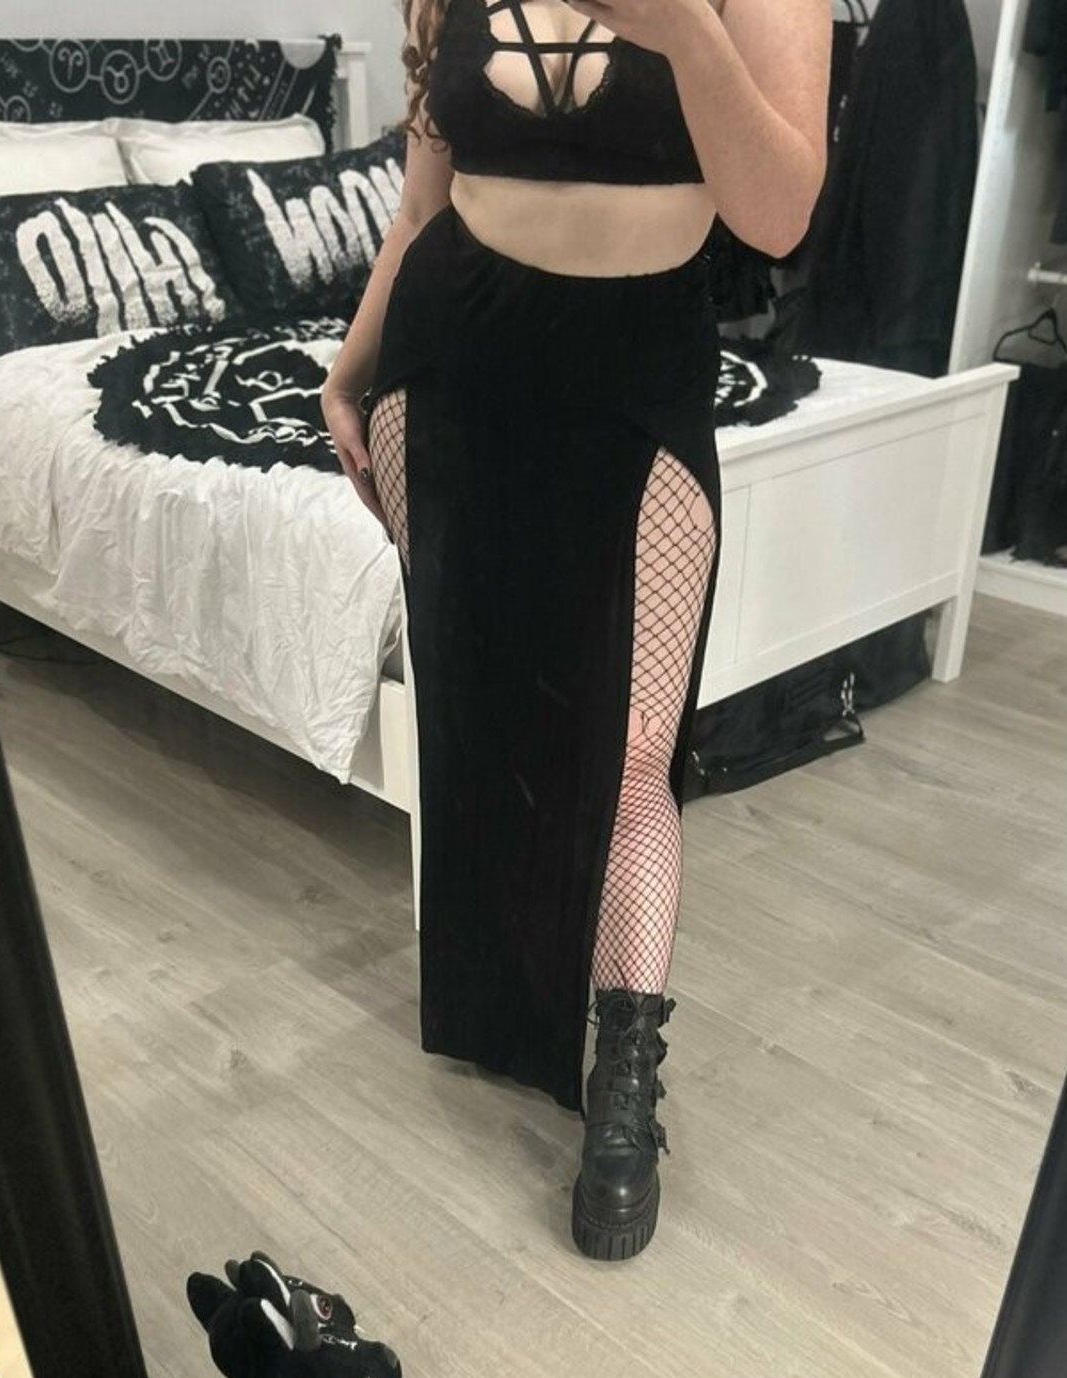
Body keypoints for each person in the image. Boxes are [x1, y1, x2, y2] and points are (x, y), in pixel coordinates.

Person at [322, 0, 831, 1261]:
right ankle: (506, 999)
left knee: (635, 749)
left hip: (634, 372)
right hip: (448, 365)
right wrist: (347, 367)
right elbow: (423, 205)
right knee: (480, 705)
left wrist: (688, 33)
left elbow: (777, 217)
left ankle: (625, 1075)